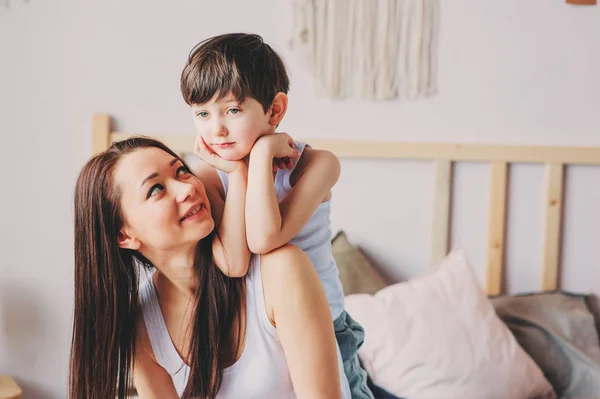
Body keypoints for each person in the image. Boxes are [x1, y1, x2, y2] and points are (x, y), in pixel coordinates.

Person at [68, 137, 349, 399]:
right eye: (156, 189)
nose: (187, 188)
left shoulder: (279, 272)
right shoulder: (142, 329)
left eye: (181, 171)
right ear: (124, 235)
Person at [180, 33, 374, 398]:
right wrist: (240, 173)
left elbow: (265, 238)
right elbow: (236, 261)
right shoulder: (208, 175)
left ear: (275, 110)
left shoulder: (316, 165)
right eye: (202, 114)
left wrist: (262, 155)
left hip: (324, 329)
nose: (216, 128)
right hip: (256, 335)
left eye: (232, 110)